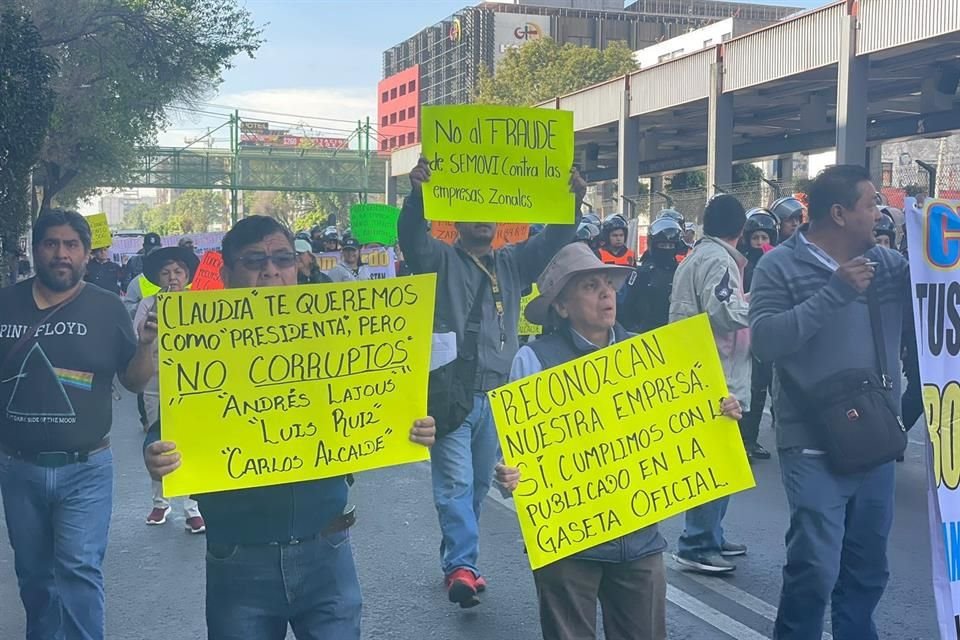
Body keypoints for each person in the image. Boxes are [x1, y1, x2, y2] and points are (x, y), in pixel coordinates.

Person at [144, 215, 437, 639]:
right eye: (254, 261)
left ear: (298, 267)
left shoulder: (336, 334)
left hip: (328, 550)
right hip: (239, 557)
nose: (271, 271)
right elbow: (169, 424)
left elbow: (380, 399)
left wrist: (414, 427)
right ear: (226, 274)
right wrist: (156, 452)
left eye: (282, 259)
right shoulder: (200, 340)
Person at [494, 242, 744, 640]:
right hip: (568, 544)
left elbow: (674, 424)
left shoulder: (646, 353)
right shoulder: (534, 360)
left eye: (608, 284)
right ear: (561, 306)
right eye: (590, 286)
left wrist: (718, 414)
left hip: (639, 539)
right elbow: (512, 447)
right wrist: (508, 473)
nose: (606, 293)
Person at [398, 156, 584, 608]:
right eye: (471, 211)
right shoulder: (438, 258)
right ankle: (463, 565)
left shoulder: (515, 263)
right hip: (450, 393)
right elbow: (410, 237)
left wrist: (571, 197)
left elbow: (558, 237)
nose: (482, 220)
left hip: (500, 394)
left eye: (489, 212)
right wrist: (419, 193)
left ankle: (458, 561)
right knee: (456, 484)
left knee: (479, 484)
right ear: (456, 220)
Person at [750, 165, 909, 639]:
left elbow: (941, 285)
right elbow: (765, 341)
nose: (880, 214)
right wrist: (835, 292)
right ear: (839, 213)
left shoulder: (888, 265)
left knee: (866, 570)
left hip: (875, 438)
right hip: (812, 440)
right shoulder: (779, 264)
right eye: (870, 204)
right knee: (815, 568)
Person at [0, 210, 156, 640]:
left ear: (87, 255)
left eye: (71, 245)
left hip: (86, 469)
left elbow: (133, 379)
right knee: (33, 575)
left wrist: (146, 346)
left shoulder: (106, 307)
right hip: (18, 469)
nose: (61, 253)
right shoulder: (5, 304)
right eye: (51, 243)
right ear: (35, 251)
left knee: (79, 569)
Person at [669, 194, 751, 574]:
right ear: (741, 228)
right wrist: (760, 303)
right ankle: (698, 542)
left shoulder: (697, 257)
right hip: (716, 373)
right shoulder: (719, 260)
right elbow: (726, 312)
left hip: (700, 367)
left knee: (720, 460)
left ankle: (711, 534)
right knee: (715, 462)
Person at [135, 245, 206, 533]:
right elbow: (137, 336)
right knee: (159, 444)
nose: (172, 277)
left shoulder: (198, 303)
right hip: (156, 386)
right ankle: (160, 502)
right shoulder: (147, 304)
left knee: (191, 444)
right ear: (157, 278)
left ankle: (193, 507)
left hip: (192, 386)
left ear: (188, 276)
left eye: (178, 272)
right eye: (166, 273)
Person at [737, 208, 780, 461]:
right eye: (756, 239)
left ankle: (751, 440)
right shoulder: (742, 264)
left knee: (762, 387)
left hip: (767, 333)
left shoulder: (775, 263)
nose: (761, 243)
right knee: (748, 390)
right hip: (744, 333)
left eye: (765, 238)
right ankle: (741, 440)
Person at [618, 217, 684, 334]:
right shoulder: (641, 273)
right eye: (663, 245)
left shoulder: (682, 272)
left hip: (675, 334)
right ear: (653, 245)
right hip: (646, 337)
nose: (667, 249)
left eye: (670, 246)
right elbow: (625, 308)